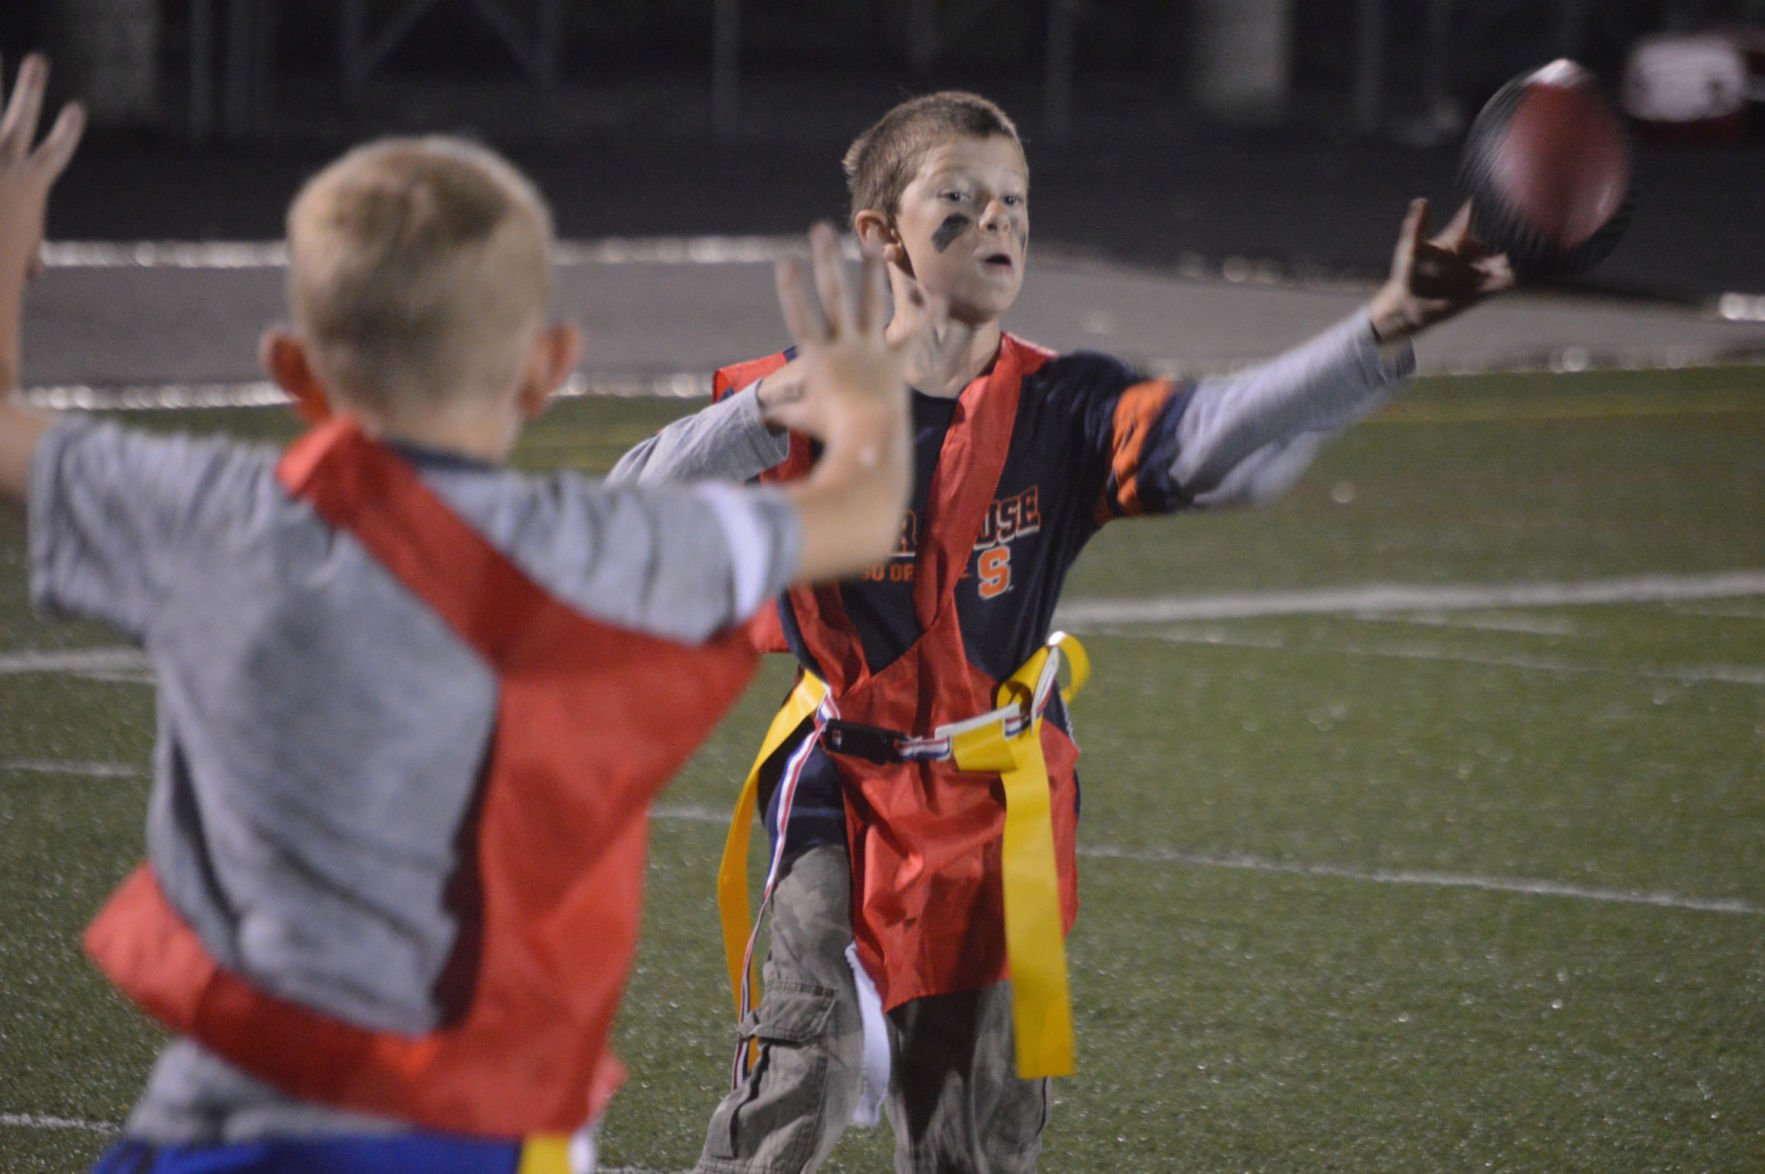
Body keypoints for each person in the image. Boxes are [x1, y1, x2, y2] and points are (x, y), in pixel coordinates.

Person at [0, 53, 933, 1174]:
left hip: (229, 1118)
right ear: (544, 372)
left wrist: (10, 256)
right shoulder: (594, 550)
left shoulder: (215, 518)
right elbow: (860, 512)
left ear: (293, 367)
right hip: (474, 1131)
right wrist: (842, 392)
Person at [609, 90, 1514, 1173]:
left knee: (972, 1126)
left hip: (993, 801)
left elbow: (1230, 441)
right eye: (959, 197)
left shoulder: (1063, 405)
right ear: (880, 233)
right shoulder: (800, 397)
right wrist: (760, 414)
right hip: (840, 786)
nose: (996, 221)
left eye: (1014, 202)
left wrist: (1379, 332)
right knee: (794, 1075)